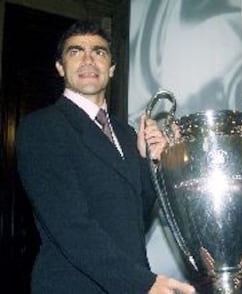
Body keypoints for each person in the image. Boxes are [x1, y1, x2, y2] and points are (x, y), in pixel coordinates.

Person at [16, 21, 195, 294]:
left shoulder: (125, 133)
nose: (89, 59)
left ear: (111, 68)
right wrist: (142, 283)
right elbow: (71, 226)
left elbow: (133, 219)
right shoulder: (42, 127)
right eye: (76, 51)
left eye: (99, 52)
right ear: (60, 67)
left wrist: (151, 164)